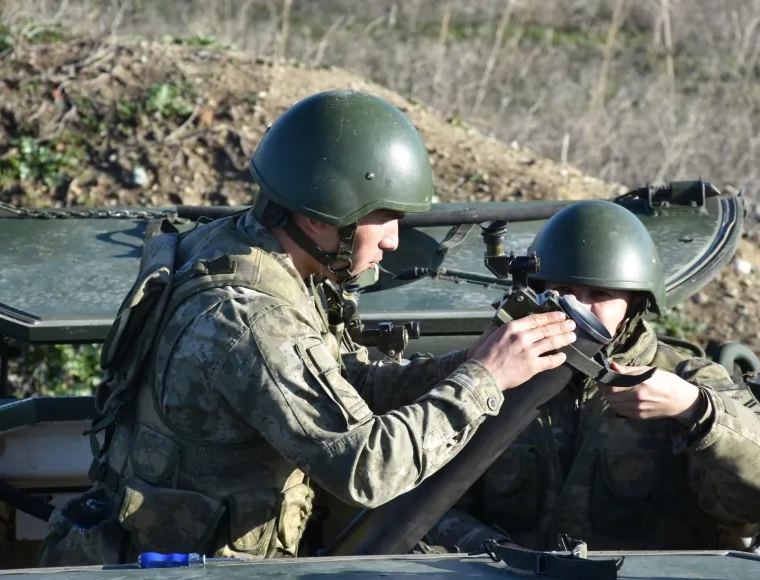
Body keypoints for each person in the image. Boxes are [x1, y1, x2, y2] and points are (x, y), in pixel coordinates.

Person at [35, 90, 578, 566]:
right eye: (382, 217)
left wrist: (467, 364)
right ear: (320, 217)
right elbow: (367, 469)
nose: (393, 240)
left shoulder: (235, 246)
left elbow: (338, 380)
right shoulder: (253, 322)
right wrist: (483, 381)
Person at [425, 199, 760, 555]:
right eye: (564, 291)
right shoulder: (502, 375)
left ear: (635, 301)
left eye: (599, 293)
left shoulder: (690, 381)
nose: (576, 307)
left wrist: (694, 410)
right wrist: (492, 550)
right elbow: (427, 504)